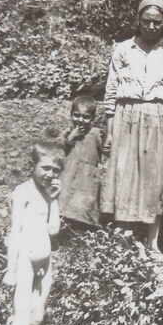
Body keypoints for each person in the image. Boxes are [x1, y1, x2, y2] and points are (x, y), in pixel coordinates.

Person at [100, 0, 163, 260]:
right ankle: (123, 238)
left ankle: (152, 241)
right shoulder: (123, 50)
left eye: (156, 22)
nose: (150, 26)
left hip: (158, 117)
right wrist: (111, 130)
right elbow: (111, 92)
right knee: (124, 174)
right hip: (127, 115)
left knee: (155, 179)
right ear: (138, 20)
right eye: (146, 21)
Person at [0, 140, 64, 325]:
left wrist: (54, 200)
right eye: (45, 168)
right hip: (26, 263)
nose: (50, 174)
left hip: (45, 264)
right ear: (33, 165)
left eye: (55, 171)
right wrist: (11, 269)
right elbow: (16, 232)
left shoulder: (49, 195)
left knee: (37, 319)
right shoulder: (23, 193)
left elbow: (53, 230)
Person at [58, 95, 104, 228]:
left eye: (86, 117)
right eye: (76, 115)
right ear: (71, 115)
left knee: (84, 204)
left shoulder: (96, 133)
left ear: (93, 119)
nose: (80, 120)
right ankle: (63, 229)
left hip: (87, 177)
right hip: (68, 174)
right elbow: (59, 150)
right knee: (65, 201)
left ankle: (81, 232)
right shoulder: (67, 132)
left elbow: (105, 150)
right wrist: (70, 138)